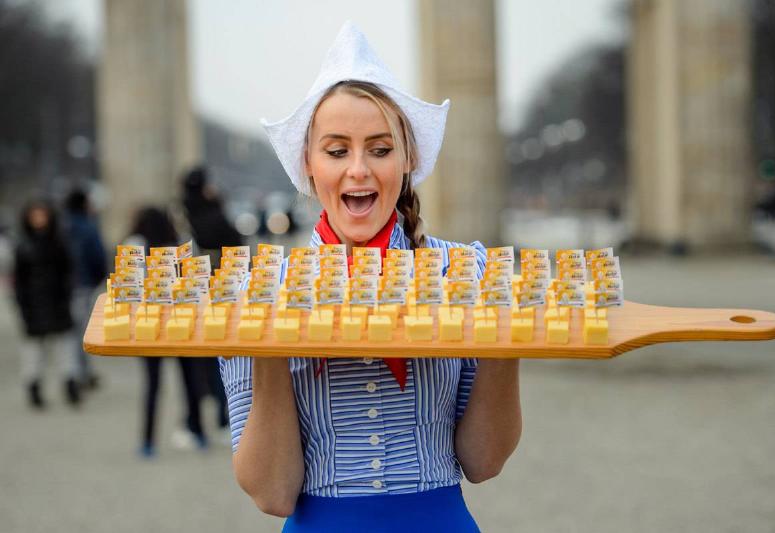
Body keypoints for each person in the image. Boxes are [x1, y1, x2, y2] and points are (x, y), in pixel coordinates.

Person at [218, 22, 521, 532]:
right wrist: (267, 337)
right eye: (337, 151)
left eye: (380, 150)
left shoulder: (465, 272)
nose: (358, 169)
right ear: (309, 166)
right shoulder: (257, 287)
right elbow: (272, 493)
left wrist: (507, 332)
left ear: (407, 161)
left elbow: (484, 461)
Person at [128, 207, 208, 458]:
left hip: (149, 324)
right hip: (180, 320)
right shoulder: (180, 243)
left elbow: (129, 283)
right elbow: (195, 279)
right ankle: (198, 431)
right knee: (189, 380)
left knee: (152, 385)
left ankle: (148, 440)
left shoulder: (135, 244)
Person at [13, 199, 81, 408]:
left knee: (66, 347)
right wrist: (23, 306)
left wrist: (67, 296)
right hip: (34, 304)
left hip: (57, 302)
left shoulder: (59, 242)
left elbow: (68, 272)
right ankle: (34, 386)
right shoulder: (23, 245)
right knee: (34, 352)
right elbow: (19, 280)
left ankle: (70, 383)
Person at [181, 166, 233, 433]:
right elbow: (237, 243)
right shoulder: (215, 212)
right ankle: (224, 413)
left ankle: (193, 421)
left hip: (188, 289)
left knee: (192, 356)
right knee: (219, 352)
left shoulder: (180, 212)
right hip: (219, 286)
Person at [64, 188, 107, 390]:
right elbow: (98, 257)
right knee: (83, 332)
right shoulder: (88, 227)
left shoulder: (61, 226)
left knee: (71, 332)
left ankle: (76, 372)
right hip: (83, 284)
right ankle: (80, 374)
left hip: (65, 286)